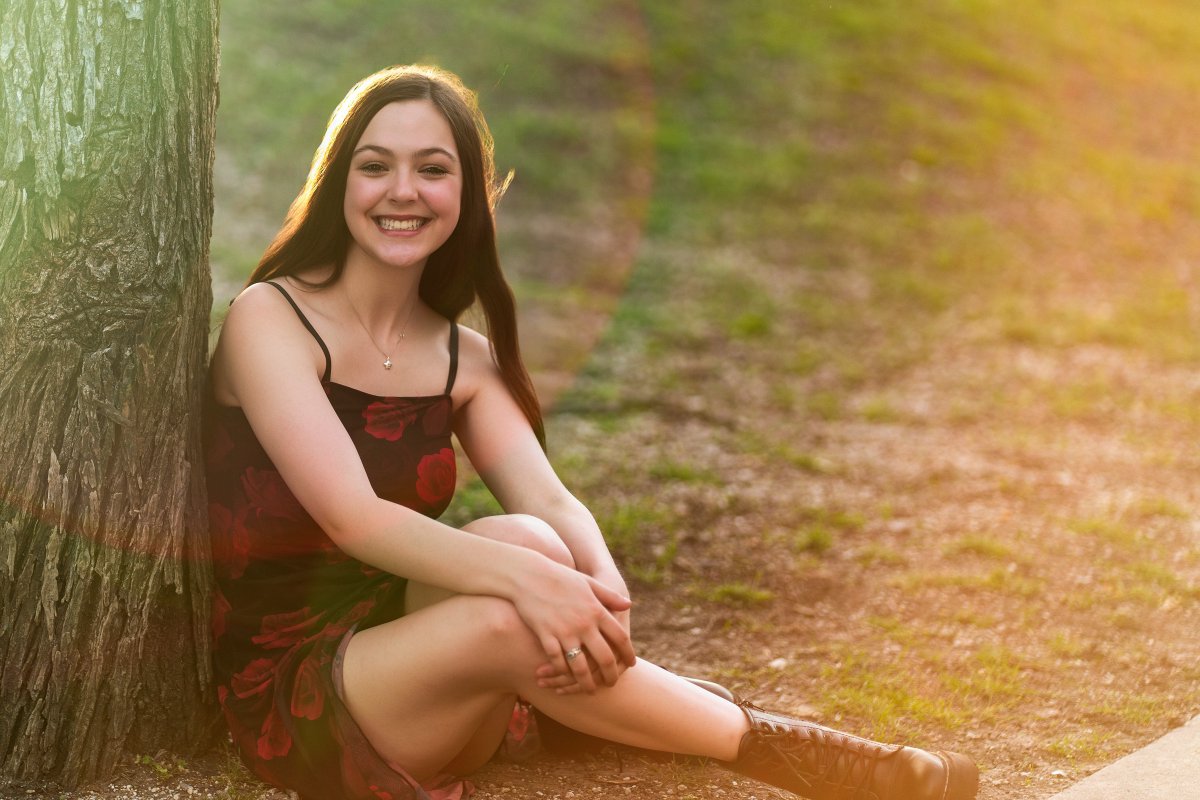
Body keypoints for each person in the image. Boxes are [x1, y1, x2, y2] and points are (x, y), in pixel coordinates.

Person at [203, 64, 979, 800]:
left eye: (433, 170)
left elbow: (552, 499)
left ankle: (579, 706)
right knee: (517, 594)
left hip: (428, 666)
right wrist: (539, 589)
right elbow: (353, 516)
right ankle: (806, 756)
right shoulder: (271, 319)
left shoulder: (462, 360)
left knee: (535, 539)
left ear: (467, 195)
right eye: (376, 166)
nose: (402, 191)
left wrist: (604, 587)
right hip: (301, 687)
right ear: (340, 181)